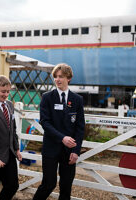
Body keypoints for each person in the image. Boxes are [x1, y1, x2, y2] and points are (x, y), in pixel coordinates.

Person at [33, 63, 85, 200]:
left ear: (69, 78)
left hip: (70, 151)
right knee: (48, 184)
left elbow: (80, 127)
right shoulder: (47, 97)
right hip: (51, 148)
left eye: (61, 76)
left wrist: (76, 151)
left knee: (66, 188)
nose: (57, 79)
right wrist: (62, 138)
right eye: (55, 77)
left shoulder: (77, 100)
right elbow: (45, 122)